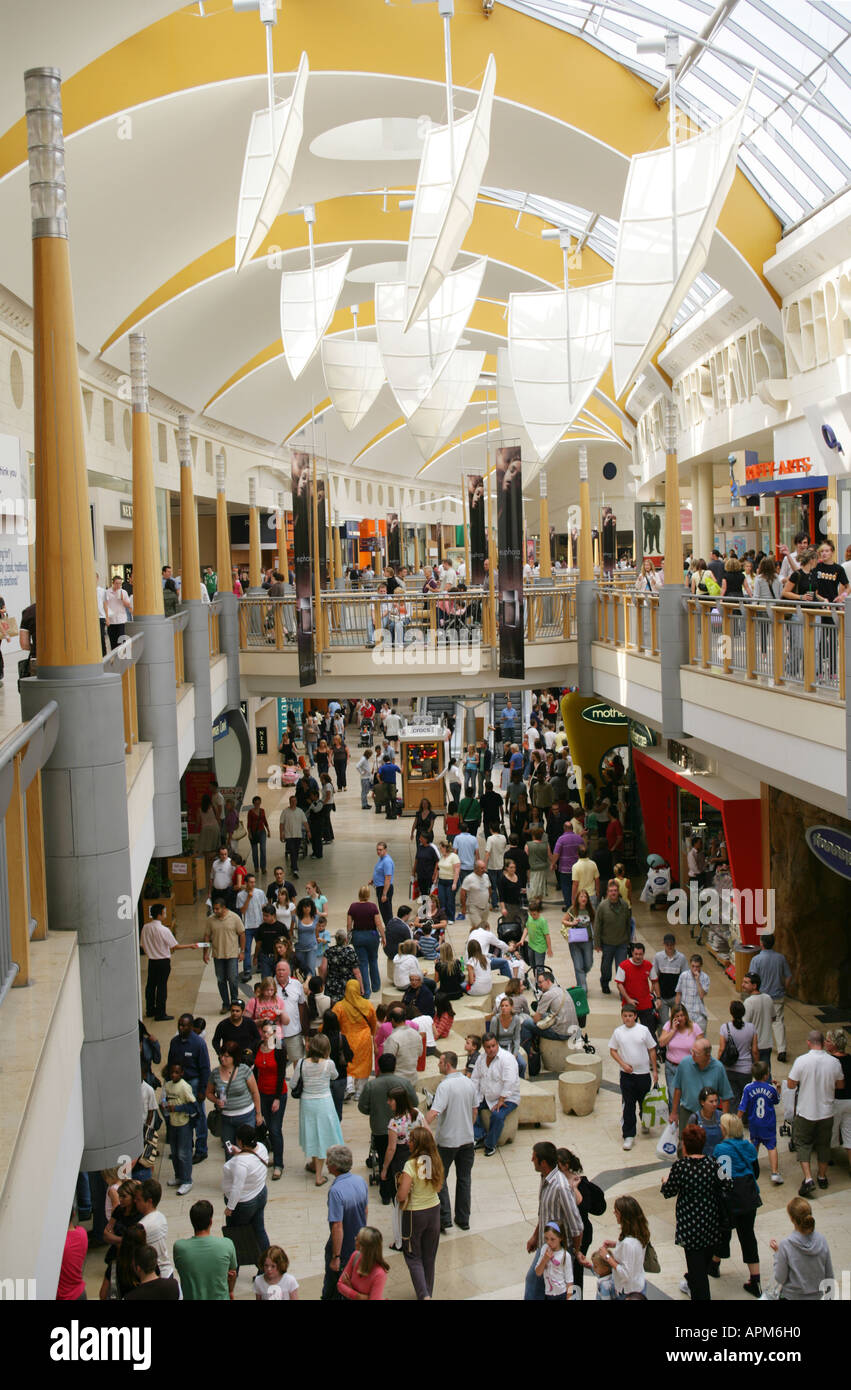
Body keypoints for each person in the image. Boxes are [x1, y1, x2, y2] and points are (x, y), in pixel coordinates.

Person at [661, 1124, 728, 1301]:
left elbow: (668, 1191)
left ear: (685, 1145)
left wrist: (664, 1181)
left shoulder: (681, 1167)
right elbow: (728, 1184)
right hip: (710, 1223)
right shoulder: (713, 1164)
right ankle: (692, 1279)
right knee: (701, 1265)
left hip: (690, 1227)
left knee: (699, 1276)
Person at [787, 1030, 844, 1198]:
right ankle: (822, 1176)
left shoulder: (802, 1061)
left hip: (806, 1111)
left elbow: (791, 1084)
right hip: (826, 1111)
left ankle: (808, 1178)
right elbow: (840, 1085)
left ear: (809, 1042)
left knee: (803, 1143)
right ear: (823, 1043)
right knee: (823, 1145)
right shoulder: (834, 1062)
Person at [524, 1142, 583, 1300]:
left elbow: (577, 1226)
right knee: (540, 1285)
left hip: (557, 1248)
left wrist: (574, 1253)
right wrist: (536, 1236)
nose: (531, 1160)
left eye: (534, 1157)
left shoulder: (560, 1187)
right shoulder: (545, 1179)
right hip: (545, 1244)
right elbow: (545, 1214)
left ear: (543, 1163)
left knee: (535, 1283)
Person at [712, 1112, 763, 1296]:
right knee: (748, 1236)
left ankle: (715, 1264)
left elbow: (722, 1178)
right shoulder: (749, 1147)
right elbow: (755, 1171)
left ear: (725, 1129)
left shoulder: (721, 1149)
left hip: (730, 1199)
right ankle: (755, 1279)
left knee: (723, 1231)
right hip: (750, 1198)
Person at [426, 1051, 476, 1233]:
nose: (438, 1065)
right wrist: (467, 1127)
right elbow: (474, 1110)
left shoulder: (445, 1086)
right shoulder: (469, 1083)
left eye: (440, 1062)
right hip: (467, 1140)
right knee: (464, 1179)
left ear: (447, 1064)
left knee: (439, 1177)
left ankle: (444, 1218)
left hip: (447, 1141)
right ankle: (463, 1219)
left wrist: (420, 1126)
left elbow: (434, 1112)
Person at [358, 1056, 417, 1205]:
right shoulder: (404, 1083)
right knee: (403, 1160)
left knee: (385, 1158)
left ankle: (385, 1194)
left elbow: (362, 1107)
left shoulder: (372, 1085)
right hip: (403, 1131)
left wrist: (374, 1112)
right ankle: (404, 1188)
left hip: (380, 1129)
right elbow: (414, 1103)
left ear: (379, 1067)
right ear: (395, 1066)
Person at [395, 1127, 444, 1301]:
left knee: (413, 1256)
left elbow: (402, 1195)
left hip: (414, 1214)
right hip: (434, 1210)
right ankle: (427, 1292)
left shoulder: (410, 1165)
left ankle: (424, 1296)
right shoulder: (435, 1161)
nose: (408, 1143)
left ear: (417, 1144)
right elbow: (438, 1187)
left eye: (411, 1140)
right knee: (429, 1256)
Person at [293, 1033, 345, 1188]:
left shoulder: (302, 1063)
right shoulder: (328, 1064)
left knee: (313, 1134)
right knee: (323, 1136)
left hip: (308, 1103)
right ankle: (318, 1176)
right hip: (324, 1102)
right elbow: (335, 1076)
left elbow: (293, 1084)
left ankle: (314, 1164)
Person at [322, 1145, 369, 1302]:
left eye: (328, 1161)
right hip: (360, 1243)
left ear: (335, 1166)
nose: (326, 1163)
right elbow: (365, 1211)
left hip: (342, 1248)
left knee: (333, 1287)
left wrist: (336, 1256)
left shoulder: (336, 1191)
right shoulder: (360, 1181)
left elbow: (337, 1226)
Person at [609, 1005, 658, 1151]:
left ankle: (645, 1121)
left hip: (643, 1074)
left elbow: (652, 1049)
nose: (628, 1018)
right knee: (628, 1104)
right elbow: (613, 1050)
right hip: (627, 1075)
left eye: (630, 1015)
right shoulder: (618, 1032)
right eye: (625, 1016)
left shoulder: (643, 1030)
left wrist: (654, 1070)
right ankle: (629, 1135)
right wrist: (623, 1064)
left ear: (635, 1016)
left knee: (644, 1102)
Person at [140, 904, 197, 1022]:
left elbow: (142, 944)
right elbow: (175, 946)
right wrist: (190, 946)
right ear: (160, 914)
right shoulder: (164, 930)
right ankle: (160, 1013)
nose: (165, 914)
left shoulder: (145, 927)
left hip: (152, 961)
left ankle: (150, 1010)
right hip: (163, 962)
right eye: (164, 912)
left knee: (150, 986)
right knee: (161, 987)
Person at [769, 1197, 834, 1301]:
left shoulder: (786, 1245)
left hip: (791, 1296)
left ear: (792, 1219)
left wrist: (778, 1253)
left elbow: (780, 1278)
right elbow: (829, 1276)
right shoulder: (821, 1240)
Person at [166, 1014, 210, 1164]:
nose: (180, 1028)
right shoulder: (174, 1042)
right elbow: (170, 1062)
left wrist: (202, 1090)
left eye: (184, 1025)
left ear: (191, 1027)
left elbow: (205, 1068)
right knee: (181, 1116)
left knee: (198, 1116)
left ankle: (201, 1150)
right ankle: (184, 1148)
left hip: (194, 1082)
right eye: (179, 1025)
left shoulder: (199, 1044)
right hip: (178, 1083)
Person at [173, 1200, 237, 1301]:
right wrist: (230, 1291)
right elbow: (233, 1273)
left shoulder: (180, 1247)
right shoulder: (227, 1244)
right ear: (211, 1222)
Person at [222, 1126, 270, 1253]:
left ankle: (235, 1267)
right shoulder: (262, 1147)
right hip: (260, 1193)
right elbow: (252, 1158)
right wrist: (239, 1152)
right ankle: (266, 1260)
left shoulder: (240, 1163)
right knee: (259, 1230)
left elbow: (237, 1188)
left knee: (235, 1236)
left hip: (244, 1204)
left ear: (240, 1142)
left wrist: (229, 1208)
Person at [670, 1039, 733, 1133]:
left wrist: (724, 1120)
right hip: (687, 1111)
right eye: (692, 1051)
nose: (693, 1055)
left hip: (709, 1115)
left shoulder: (718, 1068)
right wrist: (674, 1112)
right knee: (685, 1142)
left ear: (707, 1055)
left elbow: (725, 1096)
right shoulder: (684, 1064)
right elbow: (677, 1088)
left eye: (696, 1053)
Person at [738, 1059, 783, 1184]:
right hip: (768, 1124)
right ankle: (774, 1173)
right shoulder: (770, 1089)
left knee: (754, 1144)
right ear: (766, 1075)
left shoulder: (748, 1088)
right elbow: (776, 1101)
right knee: (771, 1147)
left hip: (754, 1123)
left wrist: (737, 1119)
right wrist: (778, 1088)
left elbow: (742, 1106)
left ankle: (751, 1168)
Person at [750, 935, 793, 1061]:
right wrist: (784, 988)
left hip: (761, 996)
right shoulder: (781, 958)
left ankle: (757, 1045)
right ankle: (782, 1050)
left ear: (761, 944)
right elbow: (789, 976)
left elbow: (752, 979)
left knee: (758, 1021)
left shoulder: (756, 960)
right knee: (778, 1022)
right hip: (777, 995)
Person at [332, 980, 377, 1100]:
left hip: (347, 1039)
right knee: (363, 1064)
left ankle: (349, 1086)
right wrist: (372, 1033)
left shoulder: (339, 1006)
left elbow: (332, 1021)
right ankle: (359, 1092)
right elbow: (373, 1021)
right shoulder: (367, 1004)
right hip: (364, 1038)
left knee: (348, 1063)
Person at [253, 1020, 286, 1179]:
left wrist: (277, 1098)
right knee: (266, 1126)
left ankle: (279, 1163)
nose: (265, 1035)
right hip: (261, 1092)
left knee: (275, 1128)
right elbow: (255, 1071)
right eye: (263, 1032)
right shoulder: (258, 1046)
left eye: (268, 1032)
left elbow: (281, 1074)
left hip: (276, 1093)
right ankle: (272, 1156)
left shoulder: (279, 1049)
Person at [519, 967, 577, 1059]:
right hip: (573, 1030)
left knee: (526, 1024)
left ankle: (528, 1055)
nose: (539, 985)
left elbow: (536, 1019)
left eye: (541, 982)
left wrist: (531, 1017)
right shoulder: (563, 990)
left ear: (548, 981)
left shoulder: (547, 995)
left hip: (561, 1033)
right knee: (544, 1016)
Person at [161, 1061, 198, 1196]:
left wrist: (176, 1108)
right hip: (173, 1123)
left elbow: (194, 1107)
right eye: (172, 1072)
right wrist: (165, 1107)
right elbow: (165, 1100)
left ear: (182, 1073)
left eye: (177, 1072)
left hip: (183, 1124)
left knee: (184, 1153)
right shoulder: (168, 1086)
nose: (174, 1075)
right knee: (175, 1152)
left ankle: (187, 1180)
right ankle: (179, 1176)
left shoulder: (184, 1087)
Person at [658, 1006, 704, 1110]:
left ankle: (687, 1121)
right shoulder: (668, 1026)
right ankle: (674, 1121)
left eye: (682, 1015)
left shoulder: (694, 1027)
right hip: (671, 1067)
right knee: (673, 1096)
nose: (680, 1018)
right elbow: (661, 1042)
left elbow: (702, 1047)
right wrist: (673, 1030)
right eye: (677, 1016)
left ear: (686, 1016)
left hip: (689, 1068)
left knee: (688, 1096)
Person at [203, 897, 245, 1012]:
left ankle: (234, 1002)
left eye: (217, 909)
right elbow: (207, 936)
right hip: (218, 955)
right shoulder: (210, 920)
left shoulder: (234, 918)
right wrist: (205, 953)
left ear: (224, 908)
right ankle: (225, 1003)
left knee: (233, 979)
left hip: (231, 954)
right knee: (221, 980)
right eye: (214, 909)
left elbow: (242, 934)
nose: (215, 911)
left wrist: (242, 951)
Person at [346, 884, 385, 998]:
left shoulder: (353, 907)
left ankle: (366, 991)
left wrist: (349, 937)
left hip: (358, 936)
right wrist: (383, 937)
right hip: (372, 935)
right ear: (368, 895)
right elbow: (378, 923)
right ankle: (376, 986)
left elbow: (349, 925)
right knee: (373, 960)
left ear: (359, 894)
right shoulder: (373, 906)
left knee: (362, 963)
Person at [593, 879, 632, 994]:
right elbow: (597, 926)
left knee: (622, 969)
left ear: (618, 892)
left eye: (615, 890)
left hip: (622, 943)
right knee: (606, 968)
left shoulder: (624, 905)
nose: (613, 893)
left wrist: (629, 941)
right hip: (607, 943)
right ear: (608, 892)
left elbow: (628, 924)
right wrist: (597, 943)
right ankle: (604, 982)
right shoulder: (602, 906)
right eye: (611, 891)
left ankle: (622, 991)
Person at [718, 1000, 759, 1107]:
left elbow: (721, 1049)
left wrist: (718, 1064)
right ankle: (744, 1121)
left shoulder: (725, 1028)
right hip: (746, 1069)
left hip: (730, 1068)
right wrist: (756, 1064)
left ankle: (733, 1121)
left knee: (732, 1098)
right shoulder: (751, 1028)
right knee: (745, 1098)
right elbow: (754, 1050)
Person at [614, 941, 659, 1036]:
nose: (638, 956)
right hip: (629, 1006)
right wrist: (628, 999)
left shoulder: (648, 965)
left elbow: (654, 981)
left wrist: (657, 997)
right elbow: (619, 984)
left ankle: (651, 1050)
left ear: (644, 954)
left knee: (649, 1032)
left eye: (641, 954)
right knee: (628, 1032)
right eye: (636, 954)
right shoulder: (623, 966)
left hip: (646, 1005)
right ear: (632, 953)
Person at [338, 1226, 389, 1301]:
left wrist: (349, 1287)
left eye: (358, 1239)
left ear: (364, 1247)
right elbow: (340, 1284)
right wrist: (360, 1297)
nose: (355, 1238)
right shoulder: (355, 1256)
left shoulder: (379, 1274)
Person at [561, 889, 593, 993]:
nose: (583, 899)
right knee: (578, 966)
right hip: (575, 941)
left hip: (588, 940)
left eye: (585, 897)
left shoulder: (590, 910)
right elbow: (564, 920)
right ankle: (583, 989)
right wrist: (572, 923)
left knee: (588, 963)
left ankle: (581, 978)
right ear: (577, 898)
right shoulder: (573, 909)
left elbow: (595, 923)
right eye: (581, 897)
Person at [653, 934, 689, 1026]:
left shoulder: (681, 958)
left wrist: (682, 996)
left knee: (679, 1021)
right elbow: (654, 976)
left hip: (676, 996)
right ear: (664, 944)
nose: (669, 946)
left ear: (675, 944)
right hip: (662, 996)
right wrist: (654, 994)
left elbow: (685, 977)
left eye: (671, 944)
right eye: (667, 944)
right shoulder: (658, 957)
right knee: (663, 1023)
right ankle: (662, 1040)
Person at [741, 972, 775, 1069]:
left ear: (754, 985)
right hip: (767, 1044)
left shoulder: (749, 1002)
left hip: (754, 1046)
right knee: (766, 1074)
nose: (743, 985)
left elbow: (745, 1025)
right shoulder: (768, 998)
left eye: (746, 983)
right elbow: (773, 1017)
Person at [488, 997, 528, 1078]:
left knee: (522, 1064)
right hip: (499, 1048)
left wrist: (515, 1054)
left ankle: (520, 1082)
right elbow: (492, 1040)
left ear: (511, 1007)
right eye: (502, 1006)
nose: (504, 1008)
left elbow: (517, 1038)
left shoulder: (516, 1019)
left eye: (506, 1006)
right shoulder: (495, 1020)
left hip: (511, 1046)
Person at [383, 1005, 423, 1084]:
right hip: (413, 1079)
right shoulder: (416, 1034)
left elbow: (387, 1063)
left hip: (397, 1081)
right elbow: (420, 1053)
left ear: (393, 1020)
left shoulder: (393, 1038)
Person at [56, 1208, 88, 1301]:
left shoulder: (57, 1244)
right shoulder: (82, 1233)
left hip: (63, 1297)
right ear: (74, 1214)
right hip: (79, 1293)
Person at [674, 953, 711, 1034]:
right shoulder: (683, 976)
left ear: (701, 966)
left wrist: (698, 980)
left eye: (697, 967)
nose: (695, 969)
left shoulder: (705, 977)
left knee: (700, 1042)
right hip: (685, 1014)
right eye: (693, 966)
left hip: (699, 1015)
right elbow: (678, 993)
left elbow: (701, 995)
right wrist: (676, 1011)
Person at [324, 929, 362, 1005]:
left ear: (335, 939)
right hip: (348, 984)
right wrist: (361, 987)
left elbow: (323, 968)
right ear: (346, 939)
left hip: (332, 984)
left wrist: (324, 981)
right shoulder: (350, 951)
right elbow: (357, 972)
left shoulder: (329, 951)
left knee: (334, 1008)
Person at [459, 859, 493, 928]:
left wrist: (489, 901)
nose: (484, 870)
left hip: (485, 907)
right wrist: (464, 907)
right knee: (478, 928)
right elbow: (463, 893)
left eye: (484, 867)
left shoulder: (486, 876)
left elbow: (489, 888)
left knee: (484, 928)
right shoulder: (469, 879)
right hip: (474, 908)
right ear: (476, 869)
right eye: (482, 868)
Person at [435, 839, 461, 923]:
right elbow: (439, 868)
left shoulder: (454, 857)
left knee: (450, 900)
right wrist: (436, 878)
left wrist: (455, 883)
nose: (440, 850)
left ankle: (450, 917)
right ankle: (443, 917)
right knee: (442, 900)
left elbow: (457, 871)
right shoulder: (442, 857)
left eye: (441, 848)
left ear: (445, 848)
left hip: (450, 881)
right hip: (442, 881)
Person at [104, 573, 133, 649]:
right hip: (111, 620)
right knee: (113, 642)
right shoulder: (107, 592)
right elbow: (105, 605)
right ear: (113, 583)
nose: (118, 585)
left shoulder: (124, 592)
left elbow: (128, 605)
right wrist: (106, 618)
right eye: (116, 583)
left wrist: (122, 599)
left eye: (120, 583)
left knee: (121, 641)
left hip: (121, 619)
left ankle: (122, 657)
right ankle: (115, 658)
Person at [246, 795, 270, 876]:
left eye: (259, 803)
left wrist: (268, 830)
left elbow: (265, 821)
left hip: (262, 832)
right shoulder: (250, 812)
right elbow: (249, 823)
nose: (257, 805)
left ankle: (263, 867)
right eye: (256, 803)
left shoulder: (262, 811)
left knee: (263, 849)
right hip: (253, 833)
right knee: (255, 851)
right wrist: (249, 833)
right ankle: (256, 866)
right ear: (253, 803)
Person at [372, 841, 395, 925]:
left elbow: (388, 879)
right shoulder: (381, 859)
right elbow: (379, 872)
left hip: (385, 889)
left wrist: (384, 894)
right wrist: (373, 880)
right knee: (384, 912)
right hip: (380, 888)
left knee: (387, 913)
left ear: (385, 850)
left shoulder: (387, 862)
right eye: (377, 850)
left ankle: (390, 931)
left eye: (380, 850)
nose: (378, 851)